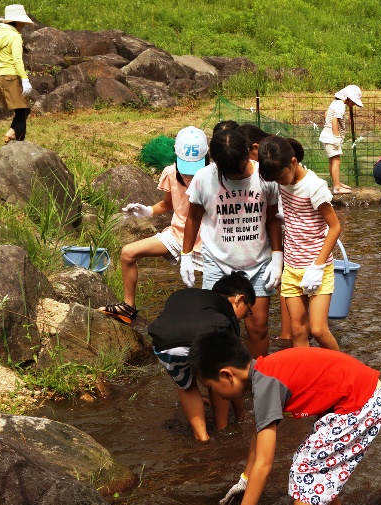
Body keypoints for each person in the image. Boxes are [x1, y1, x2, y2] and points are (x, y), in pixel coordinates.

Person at [189, 330, 381, 505]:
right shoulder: (263, 373)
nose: (216, 396)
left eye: (211, 387)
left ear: (227, 375)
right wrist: (245, 479)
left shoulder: (265, 385)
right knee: (317, 464)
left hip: (363, 402)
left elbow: (265, 462)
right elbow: (258, 436)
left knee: (305, 468)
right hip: (362, 396)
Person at [182, 127, 282, 358]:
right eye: (227, 174)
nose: (235, 178)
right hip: (218, 263)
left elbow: (273, 220)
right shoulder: (203, 178)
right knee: (217, 329)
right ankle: (224, 383)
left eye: (237, 171)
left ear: (248, 153)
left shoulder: (264, 177)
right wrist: (186, 256)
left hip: (258, 264)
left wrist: (278, 256)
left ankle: (258, 380)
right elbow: (193, 218)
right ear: (215, 163)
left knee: (258, 328)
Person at [99, 127, 209, 325]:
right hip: (177, 236)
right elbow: (168, 204)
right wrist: (148, 211)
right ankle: (128, 307)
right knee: (128, 253)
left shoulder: (214, 174)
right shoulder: (170, 173)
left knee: (216, 291)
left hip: (207, 241)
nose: (190, 175)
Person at [147, 272, 255, 442]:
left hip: (164, 342)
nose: (244, 318)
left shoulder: (183, 295)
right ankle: (222, 429)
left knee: (187, 387)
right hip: (205, 333)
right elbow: (235, 373)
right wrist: (241, 414)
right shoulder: (226, 314)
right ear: (239, 299)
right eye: (248, 312)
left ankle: (202, 438)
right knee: (220, 377)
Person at [258, 134, 342, 351]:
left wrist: (317, 266)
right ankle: (306, 379)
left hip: (317, 268)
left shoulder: (314, 186)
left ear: (293, 162)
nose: (279, 182)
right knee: (298, 330)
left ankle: (345, 371)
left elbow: (335, 227)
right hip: (292, 268)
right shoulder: (282, 180)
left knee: (318, 329)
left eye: (281, 177)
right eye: (275, 179)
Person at [0, 4, 34, 143]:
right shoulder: (15, 37)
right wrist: (24, 79)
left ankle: (11, 134)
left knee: (22, 110)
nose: (23, 24)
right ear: (16, 21)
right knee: (23, 112)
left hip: (0, 77)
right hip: (12, 77)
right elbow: (17, 60)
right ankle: (20, 146)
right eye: (22, 21)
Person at [319, 84, 363, 195]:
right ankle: (337, 187)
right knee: (336, 161)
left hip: (327, 136)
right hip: (331, 137)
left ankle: (336, 183)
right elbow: (335, 120)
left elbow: (326, 114)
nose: (353, 104)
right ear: (348, 98)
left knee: (332, 160)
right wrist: (336, 137)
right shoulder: (341, 105)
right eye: (353, 101)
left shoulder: (334, 103)